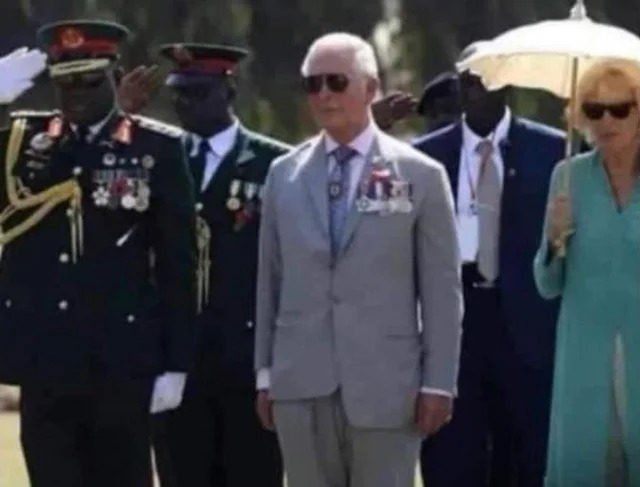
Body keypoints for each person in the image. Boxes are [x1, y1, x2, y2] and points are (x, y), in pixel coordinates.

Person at [254, 32, 463, 487]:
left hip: (386, 389)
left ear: (370, 89)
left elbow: (441, 291)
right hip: (300, 386)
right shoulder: (283, 175)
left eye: (336, 82)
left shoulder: (421, 175)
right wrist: (265, 374)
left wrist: (438, 382)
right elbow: (270, 281)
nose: (323, 94)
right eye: (313, 84)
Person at [0, 20, 197, 487]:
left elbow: (178, 263)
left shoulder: (155, 148)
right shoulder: (22, 143)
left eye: (90, 81)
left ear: (116, 75)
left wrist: (177, 362)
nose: (77, 95)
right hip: (46, 364)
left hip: (121, 364)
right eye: (65, 83)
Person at [413, 41, 565, 487]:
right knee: (453, 459)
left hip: (526, 327)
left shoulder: (554, 151)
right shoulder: (426, 157)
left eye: (484, 78)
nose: (474, 88)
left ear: (507, 84)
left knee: (526, 461)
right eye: (466, 80)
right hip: (455, 324)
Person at [151, 43, 289, 487]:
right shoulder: (162, 158)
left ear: (229, 92)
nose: (185, 104)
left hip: (246, 359)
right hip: (178, 362)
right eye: (179, 94)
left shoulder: (275, 163)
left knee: (254, 474)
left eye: (198, 93)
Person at [534, 59, 640, 487]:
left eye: (620, 109)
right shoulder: (568, 177)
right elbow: (546, 285)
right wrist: (554, 240)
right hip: (583, 358)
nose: (607, 121)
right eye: (595, 110)